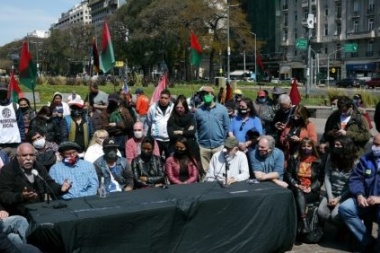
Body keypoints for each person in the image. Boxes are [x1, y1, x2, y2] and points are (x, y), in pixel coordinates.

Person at [0, 143, 71, 216]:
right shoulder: (7, 170)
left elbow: (49, 183)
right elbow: (4, 195)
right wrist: (21, 197)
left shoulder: (39, 167)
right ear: (18, 156)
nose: (28, 158)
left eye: (31, 155)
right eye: (24, 155)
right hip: (19, 212)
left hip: (40, 209)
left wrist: (60, 188)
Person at [339, 134, 380, 253]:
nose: (374, 147)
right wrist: (359, 195)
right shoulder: (366, 159)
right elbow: (356, 178)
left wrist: (378, 199)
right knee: (345, 208)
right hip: (366, 201)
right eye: (374, 144)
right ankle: (367, 242)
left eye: (378, 145)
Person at [284, 138, 322, 234]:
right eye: (304, 146)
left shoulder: (317, 161)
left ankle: (301, 225)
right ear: (300, 147)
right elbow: (288, 174)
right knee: (298, 192)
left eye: (308, 146)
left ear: (312, 147)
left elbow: (320, 179)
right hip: (297, 187)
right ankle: (304, 223)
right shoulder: (294, 158)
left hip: (311, 190)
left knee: (299, 196)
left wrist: (311, 188)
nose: (306, 148)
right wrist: (296, 184)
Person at [318, 136, 355, 225]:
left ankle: (343, 230)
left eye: (338, 145)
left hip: (345, 195)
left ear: (345, 146)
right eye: (335, 145)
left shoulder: (355, 162)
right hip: (332, 192)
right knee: (321, 212)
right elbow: (327, 177)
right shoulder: (331, 157)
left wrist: (338, 199)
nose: (336, 147)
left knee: (335, 215)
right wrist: (330, 196)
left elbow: (352, 185)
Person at [194, 86, 229, 176]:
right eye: (203, 95)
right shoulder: (198, 111)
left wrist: (222, 141)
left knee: (219, 171)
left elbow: (226, 127)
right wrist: (198, 143)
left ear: (213, 95)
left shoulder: (222, 109)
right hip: (203, 146)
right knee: (205, 172)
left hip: (218, 145)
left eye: (207, 94)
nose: (205, 96)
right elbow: (196, 128)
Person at [167, 95, 199, 161]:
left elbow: (192, 132)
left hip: (190, 148)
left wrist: (179, 131)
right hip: (175, 148)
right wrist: (186, 131)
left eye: (181, 108)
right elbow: (171, 135)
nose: (179, 109)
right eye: (177, 107)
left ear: (185, 107)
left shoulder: (190, 117)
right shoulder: (172, 119)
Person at [145, 89, 174, 159]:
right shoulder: (152, 108)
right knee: (156, 159)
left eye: (166, 98)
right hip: (156, 139)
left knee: (170, 159)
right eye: (162, 97)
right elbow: (149, 121)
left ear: (169, 98)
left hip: (169, 139)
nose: (163, 100)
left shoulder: (173, 108)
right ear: (159, 97)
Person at [0, 83, 25, 158]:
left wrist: (22, 141)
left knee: (14, 168)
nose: (2, 94)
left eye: (4, 92)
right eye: (0, 92)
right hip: (1, 146)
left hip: (15, 145)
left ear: (7, 93)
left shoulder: (15, 106)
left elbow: (21, 125)